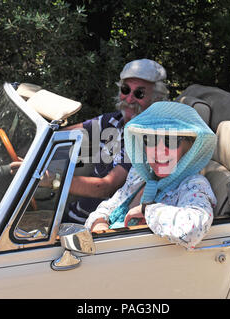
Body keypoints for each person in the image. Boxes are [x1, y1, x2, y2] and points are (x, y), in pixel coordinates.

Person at [84, 101, 218, 250]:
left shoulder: (194, 185)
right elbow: (108, 206)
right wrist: (100, 224)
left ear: (190, 147)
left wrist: (146, 210)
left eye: (171, 141)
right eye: (150, 140)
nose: (158, 151)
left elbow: (191, 230)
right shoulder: (140, 175)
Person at [60, 59, 170, 224]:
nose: (129, 99)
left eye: (139, 93)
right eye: (125, 90)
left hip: (99, 226)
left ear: (156, 99)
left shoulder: (149, 140)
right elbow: (65, 135)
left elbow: (105, 187)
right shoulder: (113, 120)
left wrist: (52, 181)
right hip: (75, 214)